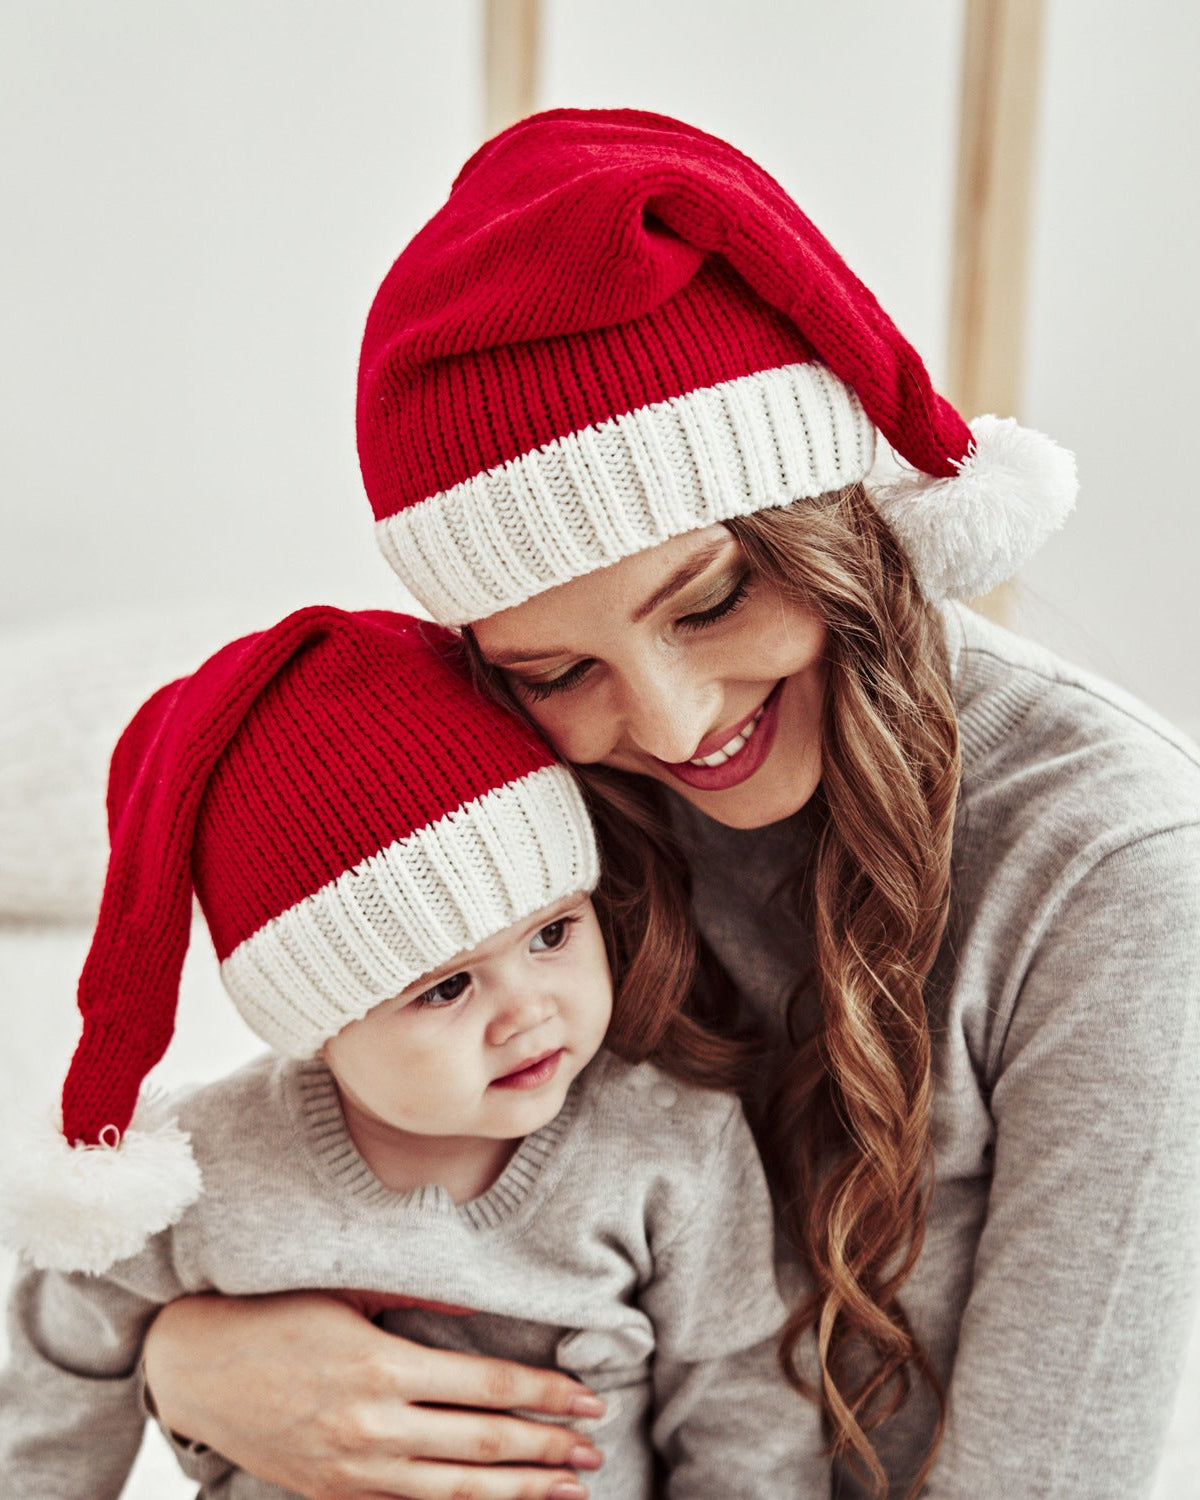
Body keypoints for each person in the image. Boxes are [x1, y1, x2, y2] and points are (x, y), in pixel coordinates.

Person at [137, 109, 1200, 1500]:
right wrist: (183, 1362)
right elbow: (329, 1137)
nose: (675, 723)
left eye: (712, 600)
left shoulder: (1110, 859)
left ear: (835, 520)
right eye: (559, 667)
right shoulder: (525, 788)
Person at [0, 604, 821, 1500]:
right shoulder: (209, 1166)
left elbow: (746, 1415)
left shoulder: (669, 1149)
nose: (526, 1013)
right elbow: (55, 1370)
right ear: (320, 1020)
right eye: (445, 988)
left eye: (552, 934)